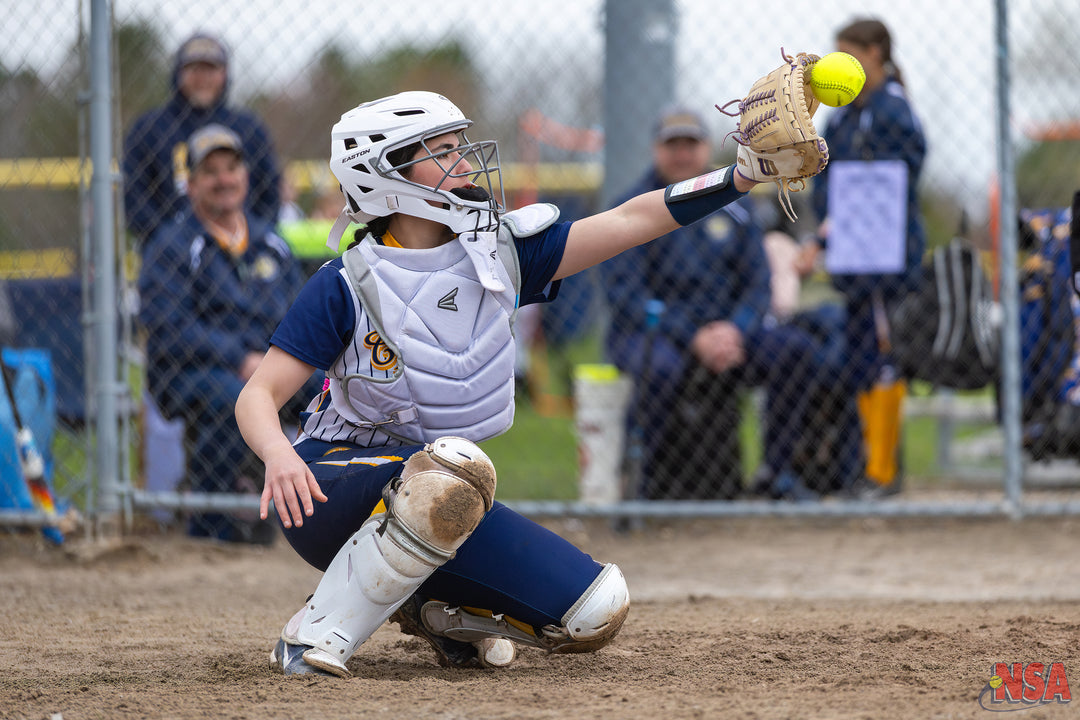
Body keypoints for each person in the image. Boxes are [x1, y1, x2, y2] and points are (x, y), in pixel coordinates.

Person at [233, 90, 796, 677]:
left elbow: (631, 220)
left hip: (442, 494)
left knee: (594, 608)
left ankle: (434, 609)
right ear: (386, 176)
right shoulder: (344, 282)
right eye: (443, 151)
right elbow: (259, 395)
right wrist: (278, 454)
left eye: (461, 146)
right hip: (328, 485)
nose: (466, 161)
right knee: (449, 475)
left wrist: (741, 176)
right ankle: (314, 636)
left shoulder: (498, 254)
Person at [601, 108, 822, 501]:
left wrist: (735, 329)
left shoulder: (736, 205)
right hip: (658, 332)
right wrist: (693, 336)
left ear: (706, 148)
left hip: (727, 333)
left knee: (794, 352)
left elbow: (758, 284)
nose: (682, 154)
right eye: (673, 145)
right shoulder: (633, 207)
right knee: (662, 369)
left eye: (691, 144)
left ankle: (777, 476)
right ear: (656, 150)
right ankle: (640, 485)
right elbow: (626, 296)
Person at [138, 124, 307, 543]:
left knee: (333, 394)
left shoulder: (272, 243)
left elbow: (299, 317)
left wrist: (275, 363)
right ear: (191, 184)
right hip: (191, 371)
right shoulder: (172, 247)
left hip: (266, 365)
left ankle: (328, 516)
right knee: (234, 401)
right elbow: (169, 329)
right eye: (210, 171)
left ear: (245, 176)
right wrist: (240, 358)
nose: (223, 180)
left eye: (231, 168)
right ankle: (211, 526)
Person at [807, 18, 928, 495]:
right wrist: (827, 231)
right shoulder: (841, 115)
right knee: (859, 359)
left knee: (884, 357)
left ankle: (882, 472)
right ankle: (863, 466)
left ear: (876, 53)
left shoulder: (894, 110)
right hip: (852, 257)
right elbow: (826, 184)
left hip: (886, 261)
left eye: (850, 52)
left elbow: (895, 184)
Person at [122, 33, 282, 245]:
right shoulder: (150, 129)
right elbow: (134, 197)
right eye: (194, 69)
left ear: (225, 74)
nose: (203, 78)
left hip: (240, 247)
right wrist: (171, 241)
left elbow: (270, 191)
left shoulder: (249, 128)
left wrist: (252, 237)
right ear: (178, 74)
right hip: (171, 257)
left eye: (211, 69)